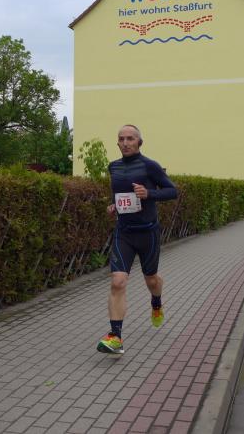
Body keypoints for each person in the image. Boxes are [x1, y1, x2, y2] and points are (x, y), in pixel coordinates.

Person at [97, 124, 178, 354]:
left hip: (148, 233)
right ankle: (115, 337)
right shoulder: (113, 167)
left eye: (130, 138)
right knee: (117, 281)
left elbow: (172, 191)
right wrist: (114, 205)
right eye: (121, 139)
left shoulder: (150, 166)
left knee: (151, 280)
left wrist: (149, 193)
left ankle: (156, 302)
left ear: (139, 142)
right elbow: (118, 194)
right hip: (124, 232)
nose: (125, 143)